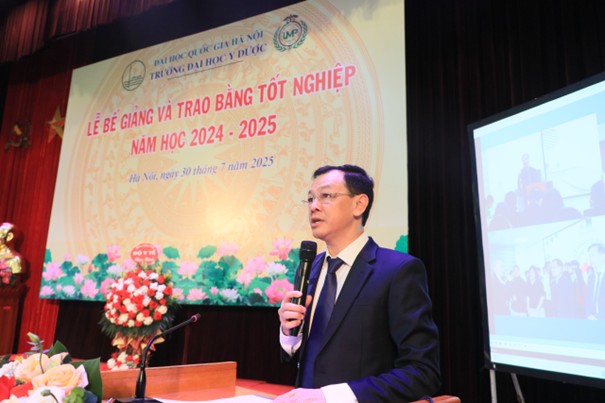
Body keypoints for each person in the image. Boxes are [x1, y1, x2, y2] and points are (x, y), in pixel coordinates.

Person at [275, 164, 440, 402]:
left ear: (359, 204)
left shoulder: (398, 270)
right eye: (310, 199)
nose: (314, 206)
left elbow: (422, 372)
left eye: (326, 196)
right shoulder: (309, 268)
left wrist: (330, 396)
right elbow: (311, 356)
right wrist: (289, 334)